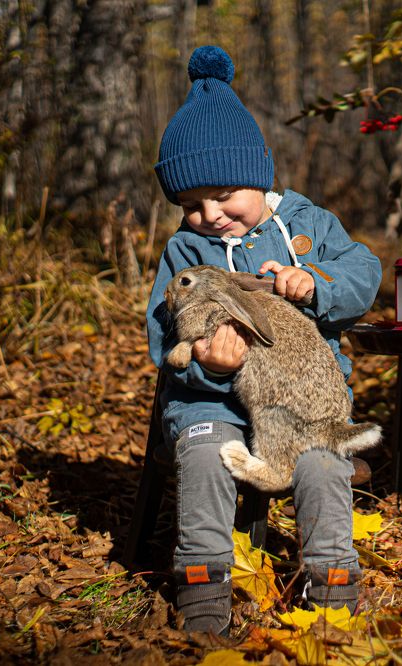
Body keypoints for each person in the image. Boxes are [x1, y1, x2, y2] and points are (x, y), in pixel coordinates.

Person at [145, 45, 382, 635]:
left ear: (257, 174)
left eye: (223, 196)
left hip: (302, 405)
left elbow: (365, 274)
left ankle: (331, 578)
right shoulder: (185, 251)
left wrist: (318, 283)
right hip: (212, 403)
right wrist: (204, 362)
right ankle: (202, 584)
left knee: (324, 466)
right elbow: (159, 334)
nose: (211, 215)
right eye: (191, 205)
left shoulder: (308, 226)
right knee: (204, 458)